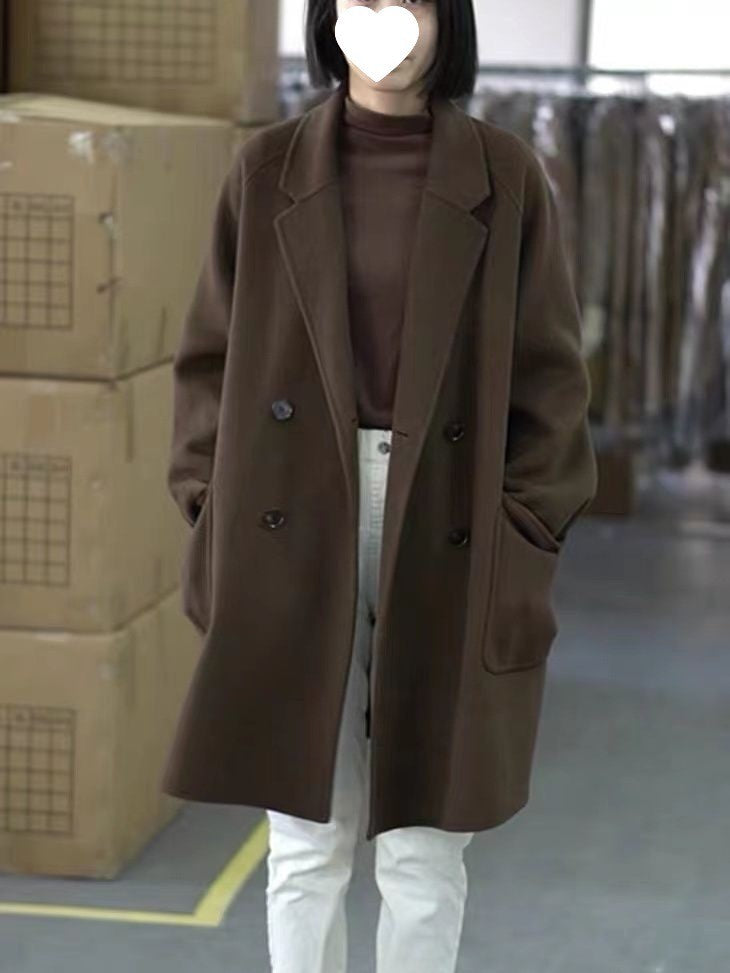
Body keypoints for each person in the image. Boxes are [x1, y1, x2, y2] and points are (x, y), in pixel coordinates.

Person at [164, 1, 598, 971]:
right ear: (329, 19)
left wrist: (523, 527)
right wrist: (209, 507)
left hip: (448, 516)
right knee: (304, 839)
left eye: (412, 1)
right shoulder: (265, 170)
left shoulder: (507, 176)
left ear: (447, 21)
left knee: (424, 850)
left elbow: (552, 380)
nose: (388, 24)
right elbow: (207, 360)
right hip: (290, 518)